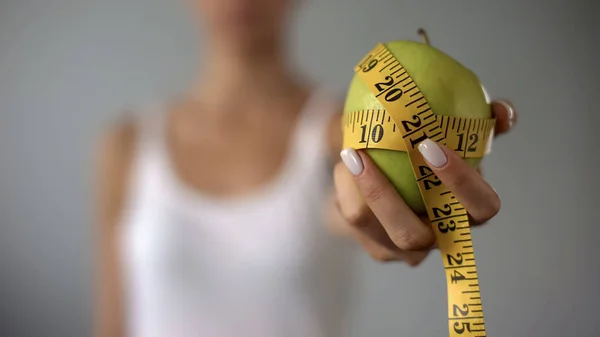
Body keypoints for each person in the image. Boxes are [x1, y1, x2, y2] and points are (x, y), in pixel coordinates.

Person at [94, 0, 518, 336]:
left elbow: (347, 207)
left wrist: (419, 206)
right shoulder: (126, 146)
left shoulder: (340, 133)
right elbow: (113, 326)